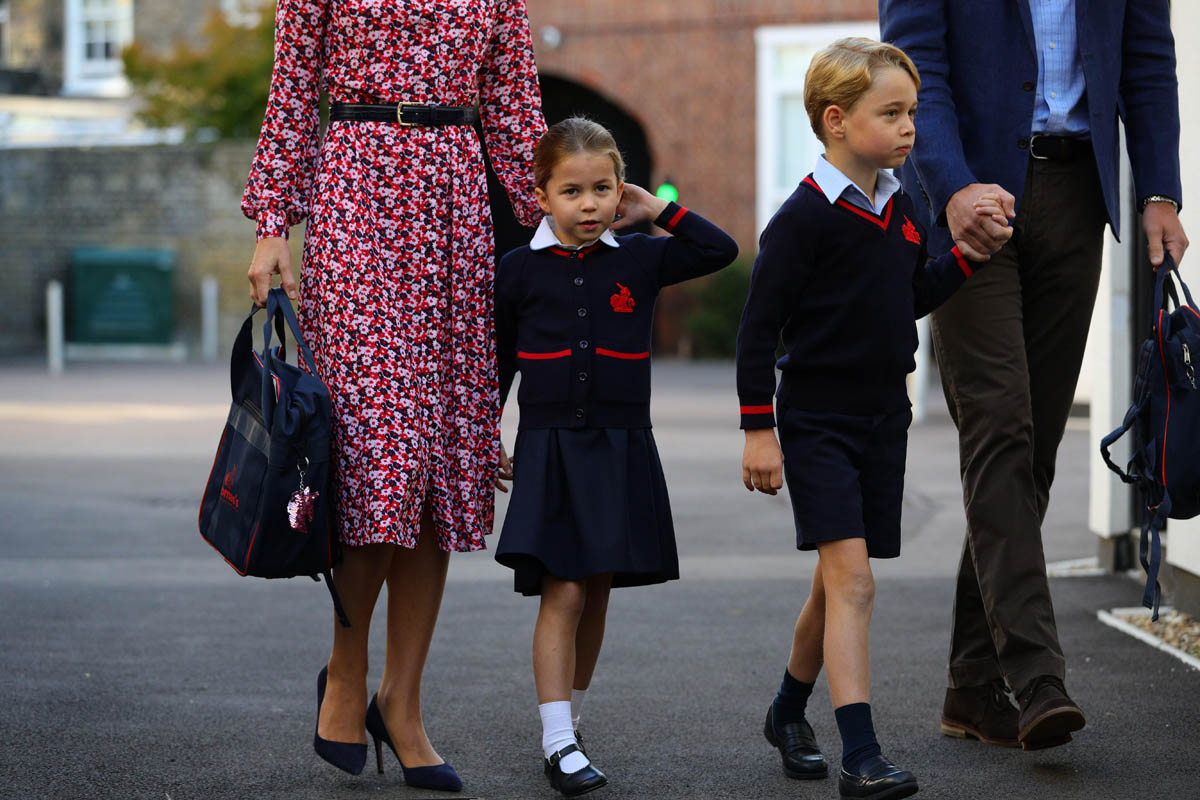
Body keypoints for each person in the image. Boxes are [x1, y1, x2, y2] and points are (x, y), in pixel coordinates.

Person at [240, 0, 547, 790]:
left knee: (438, 462)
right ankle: (346, 674)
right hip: (356, 195)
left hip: (455, 201)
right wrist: (273, 222)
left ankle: (401, 702)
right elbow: (293, 88)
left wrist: (572, 219)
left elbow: (516, 107)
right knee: (380, 452)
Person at [879, 0, 1188, 751]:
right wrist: (951, 186)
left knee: (1033, 449)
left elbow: (1148, 61)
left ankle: (970, 686)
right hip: (967, 198)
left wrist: (1159, 191)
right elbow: (919, 69)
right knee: (999, 427)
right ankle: (1037, 674)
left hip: (1078, 195)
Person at [737, 38, 1004, 800]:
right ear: (836, 120)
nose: (909, 126)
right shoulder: (801, 219)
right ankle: (862, 756)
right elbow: (758, 331)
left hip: (886, 418)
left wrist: (966, 257)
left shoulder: (904, 208)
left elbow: (909, 295)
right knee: (854, 582)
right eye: (891, 113)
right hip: (817, 421)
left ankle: (787, 710)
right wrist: (759, 429)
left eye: (911, 112)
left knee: (836, 583)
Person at [493, 117, 738, 798]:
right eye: (571, 191)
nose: (589, 204)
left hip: (621, 443)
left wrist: (656, 209)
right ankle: (556, 740)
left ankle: (569, 721)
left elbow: (719, 248)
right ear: (541, 196)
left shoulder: (640, 257)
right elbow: (499, 362)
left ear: (620, 189)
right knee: (565, 588)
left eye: (602, 189)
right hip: (550, 447)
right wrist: (486, 430)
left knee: (596, 588)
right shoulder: (518, 270)